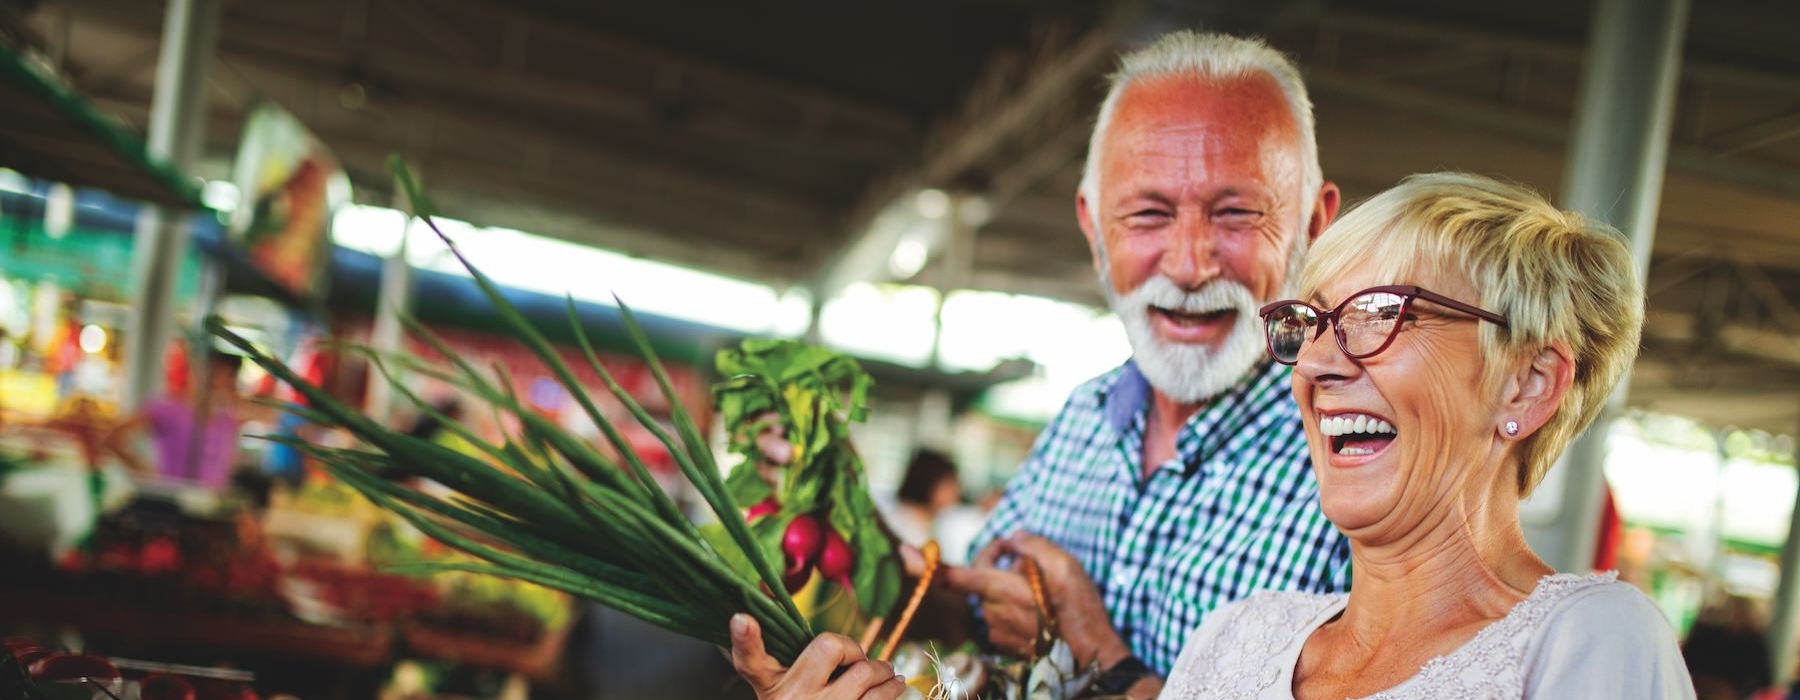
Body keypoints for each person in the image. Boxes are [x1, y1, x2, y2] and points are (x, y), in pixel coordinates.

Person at [731, 30, 1349, 699]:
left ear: (1316, 226)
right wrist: (841, 506)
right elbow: (966, 618)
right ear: (1093, 230)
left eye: (1236, 213)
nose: (1188, 265)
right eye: (1148, 214)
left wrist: (1090, 644)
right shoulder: (1087, 413)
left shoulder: (1357, 460)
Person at [1157, 172, 1693, 697]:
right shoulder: (1233, 635)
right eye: (1314, 320)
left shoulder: (1589, 638)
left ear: (1527, 385)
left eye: (1381, 312)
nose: (1315, 362)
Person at [104, 350, 247, 490]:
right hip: (171, 505)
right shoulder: (169, 408)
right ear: (199, 369)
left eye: (229, 375)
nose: (220, 381)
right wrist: (148, 475)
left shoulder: (228, 420)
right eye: (216, 372)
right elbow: (113, 439)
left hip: (211, 508)